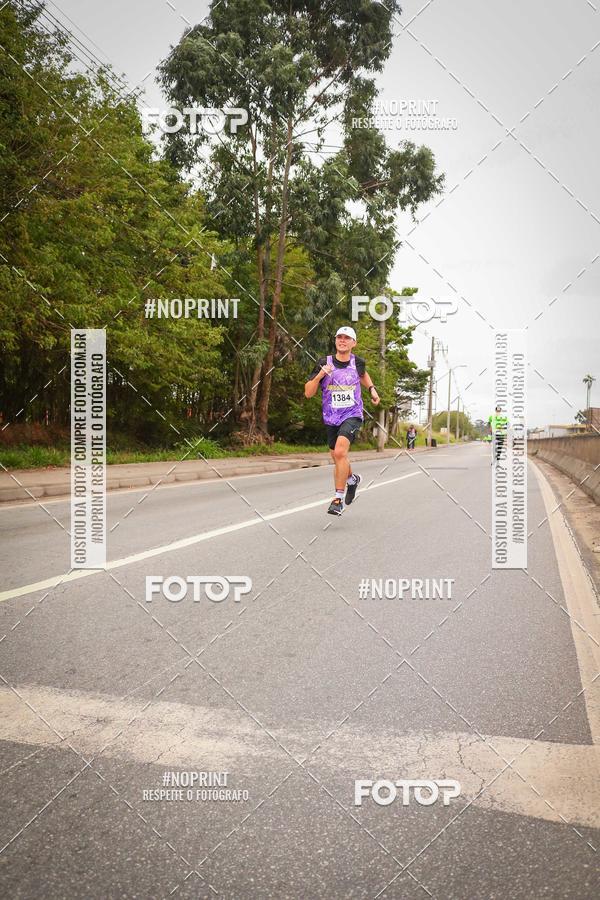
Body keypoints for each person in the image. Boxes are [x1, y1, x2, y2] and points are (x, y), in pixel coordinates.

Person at [305, 326, 380, 515]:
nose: (342, 340)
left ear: (354, 343)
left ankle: (337, 499)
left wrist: (372, 389)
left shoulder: (358, 362)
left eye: (347, 338)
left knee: (339, 452)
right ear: (335, 340)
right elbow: (308, 393)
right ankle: (352, 480)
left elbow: (362, 374)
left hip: (352, 414)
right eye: (339, 337)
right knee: (338, 456)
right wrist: (320, 375)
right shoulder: (324, 362)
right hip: (331, 417)